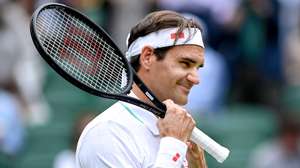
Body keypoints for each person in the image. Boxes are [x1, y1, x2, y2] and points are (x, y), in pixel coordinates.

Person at [76, 10, 207, 168]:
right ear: (147, 57)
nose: (196, 79)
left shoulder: (175, 133)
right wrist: (173, 145)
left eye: (197, 68)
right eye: (185, 63)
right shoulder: (107, 133)